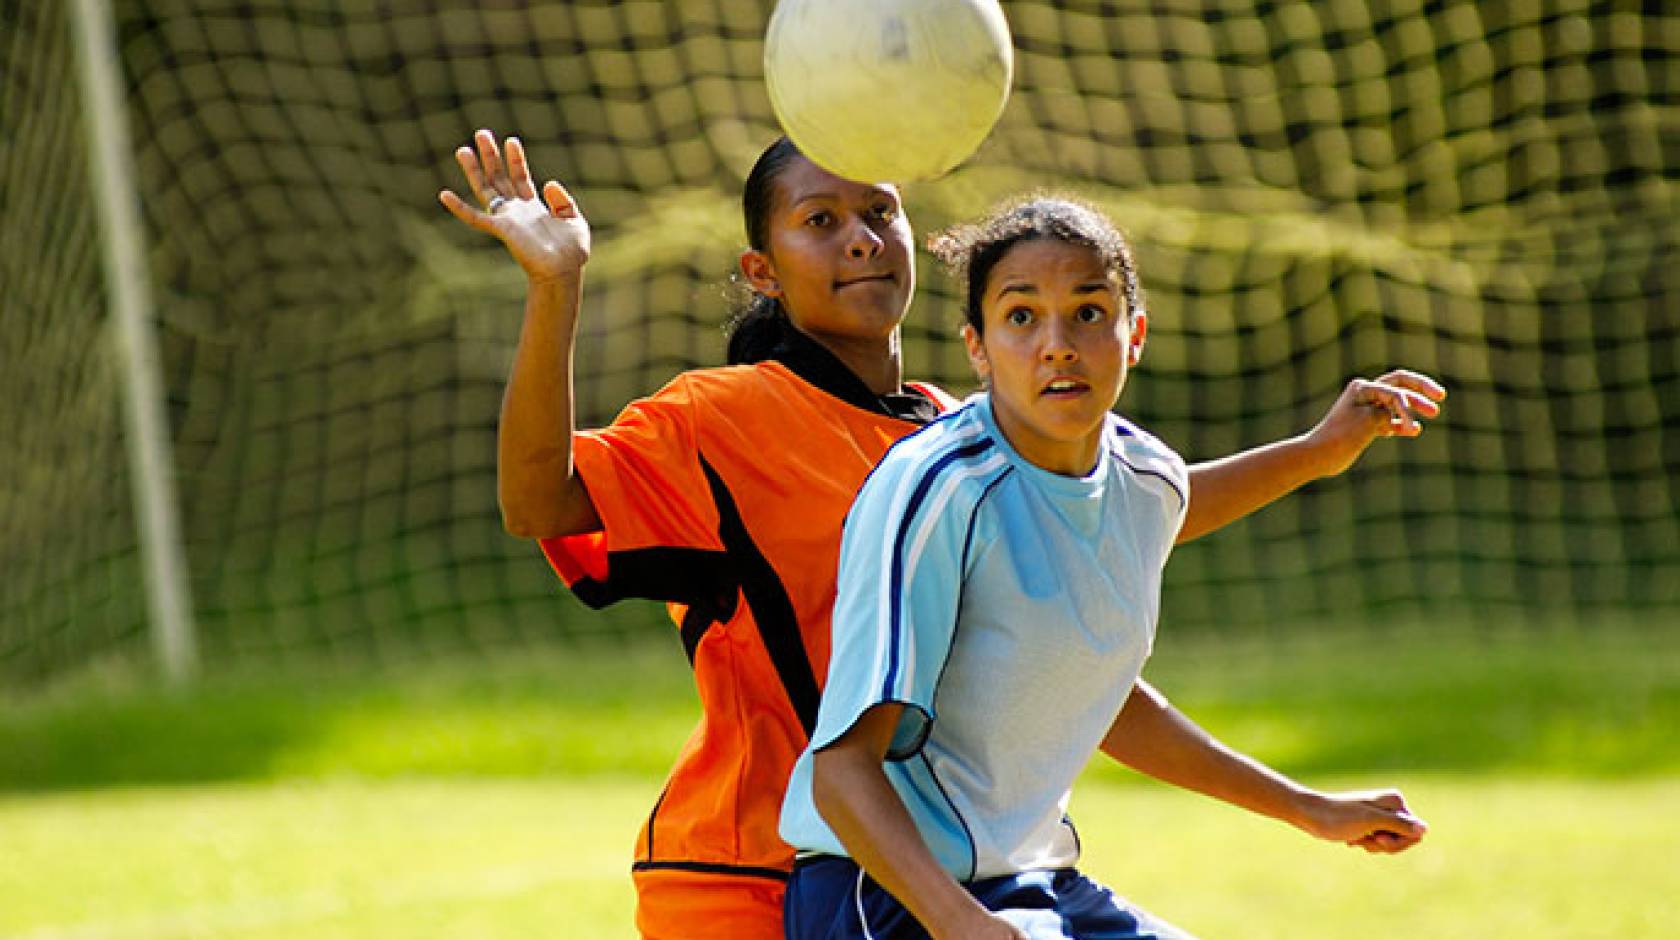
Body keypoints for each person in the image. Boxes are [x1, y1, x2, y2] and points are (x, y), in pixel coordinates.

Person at [438, 132, 1442, 940]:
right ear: (763, 268)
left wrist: (1317, 450)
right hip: (751, 879)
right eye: (821, 221)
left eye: (881, 210)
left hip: (938, 869)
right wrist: (554, 288)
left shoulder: (958, 428)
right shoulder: (721, 417)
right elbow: (540, 501)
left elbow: (1139, 519)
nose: (863, 237)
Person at [778, 197, 1433, 940]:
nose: (1057, 344)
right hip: (887, 896)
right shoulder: (938, 490)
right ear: (978, 349)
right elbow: (842, 770)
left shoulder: (1142, 477)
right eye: (1021, 317)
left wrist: (1310, 807)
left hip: (1035, 881)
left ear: (1135, 334)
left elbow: (1110, 690)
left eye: (1089, 312)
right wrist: (960, 924)